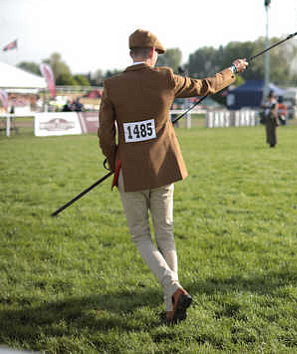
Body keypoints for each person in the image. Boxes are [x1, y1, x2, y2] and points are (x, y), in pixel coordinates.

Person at [98, 29, 248, 324]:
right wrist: (233, 70)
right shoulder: (166, 77)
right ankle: (171, 304)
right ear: (153, 53)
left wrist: (113, 158)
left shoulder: (112, 86)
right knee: (165, 233)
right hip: (164, 169)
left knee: (141, 236)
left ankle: (173, 292)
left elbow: (105, 133)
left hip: (131, 172)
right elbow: (207, 86)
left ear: (131, 54)